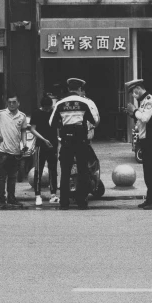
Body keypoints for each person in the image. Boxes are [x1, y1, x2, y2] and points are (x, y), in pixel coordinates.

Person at [49, 78, 100, 210]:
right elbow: (95, 120)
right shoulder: (85, 102)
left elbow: (51, 123)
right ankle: (81, 202)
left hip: (66, 140)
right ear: (79, 89)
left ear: (68, 89)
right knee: (83, 170)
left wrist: (64, 123)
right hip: (81, 141)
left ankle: (64, 203)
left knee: (65, 172)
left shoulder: (60, 103)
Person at [0, 94, 29, 210]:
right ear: (7, 103)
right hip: (3, 150)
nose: (11, 104)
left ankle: (11, 198)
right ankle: (2, 200)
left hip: (15, 150)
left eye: (14, 102)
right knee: (1, 177)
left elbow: (24, 130)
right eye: (9, 102)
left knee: (13, 177)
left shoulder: (22, 116)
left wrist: (24, 144)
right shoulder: (1, 113)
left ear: (18, 103)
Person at [124, 79, 152, 210]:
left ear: (139, 88)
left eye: (133, 91)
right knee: (148, 172)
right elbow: (141, 121)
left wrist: (134, 111)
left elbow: (145, 117)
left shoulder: (150, 99)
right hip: (145, 140)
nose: (132, 94)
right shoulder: (143, 102)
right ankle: (150, 198)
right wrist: (132, 114)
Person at [30, 95, 59, 206]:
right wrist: (43, 139)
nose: (48, 110)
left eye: (49, 108)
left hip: (53, 144)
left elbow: (57, 128)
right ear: (42, 106)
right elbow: (32, 129)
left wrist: (58, 141)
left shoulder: (54, 112)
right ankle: (38, 195)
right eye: (46, 108)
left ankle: (53, 194)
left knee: (53, 170)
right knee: (38, 171)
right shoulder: (36, 113)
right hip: (41, 145)